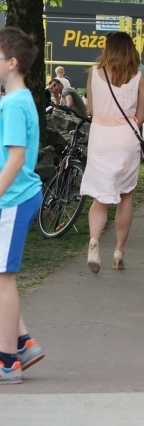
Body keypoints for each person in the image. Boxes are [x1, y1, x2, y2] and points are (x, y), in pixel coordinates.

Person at [80, 31, 144, 274]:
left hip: (101, 137)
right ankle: (119, 251)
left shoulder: (94, 72)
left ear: (108, 49)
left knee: (100, 196)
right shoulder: (139, 76)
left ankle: (94, 241)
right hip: (126, 138)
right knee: (126, 195)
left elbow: (91, 108)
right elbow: (140, 117)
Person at [0, 27, 46, 385]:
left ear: (11, 62)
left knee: (5, 280)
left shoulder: (14, 103)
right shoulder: (19, 99)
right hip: (16, 196)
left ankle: (7, 360)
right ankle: (24, 344)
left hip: (13, 198)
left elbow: (15, 158)